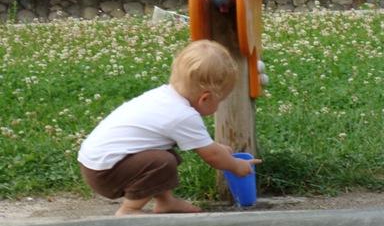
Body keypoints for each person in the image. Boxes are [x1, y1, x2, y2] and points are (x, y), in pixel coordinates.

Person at [78, 39, 261, 216]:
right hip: (105, 174)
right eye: (220, 102)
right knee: (162, 162)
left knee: (164, 155)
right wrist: (235, 165)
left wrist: (217, 148)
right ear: (204, 98)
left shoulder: (165, 97)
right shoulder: (183, 115)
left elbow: (208, 148)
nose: (219, 106)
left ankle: (166, 201)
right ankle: (129, 210)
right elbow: (212, 156)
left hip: (98, 164)